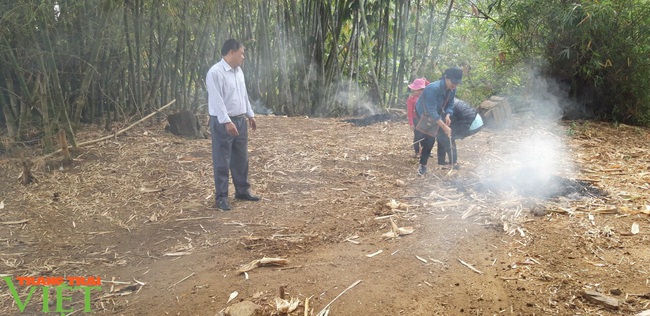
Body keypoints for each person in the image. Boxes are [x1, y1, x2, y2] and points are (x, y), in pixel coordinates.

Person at [206, 39, 260, 211]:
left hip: (240, 119)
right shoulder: (215, 72)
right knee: (222, 160)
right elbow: (217, 100)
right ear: (231, 52)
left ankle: (242, 191)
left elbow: (243, 94)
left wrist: (250, 114)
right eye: (241, 53)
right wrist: (227, 121)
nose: (243, 57)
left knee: (241, 158)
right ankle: (221, 197)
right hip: (223, 122)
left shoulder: (238, 71)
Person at [414, 67, 463, 176]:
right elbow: (430, 110)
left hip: (437, 112)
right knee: (429, 138)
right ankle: (422, 166)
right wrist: (444, 126)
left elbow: (450, 104)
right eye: (453, 82)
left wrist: (448, 115)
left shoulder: (452, 89)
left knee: (443, 135)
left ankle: (448, 161)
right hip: (424, 113)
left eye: (457, 83)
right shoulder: (433, 88)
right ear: (446, 78)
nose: (455, 85)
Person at [436, 98, 484, 169]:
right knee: (442, 136)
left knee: (447, 137)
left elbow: (441, 123)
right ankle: (441, 162)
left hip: (472, 122)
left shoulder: (442, 105)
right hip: (477, 119)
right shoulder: (446, 99)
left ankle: (453, 163)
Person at [406, 78, 429, 158]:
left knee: (424, 136)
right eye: (418, 90)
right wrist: (411, 123)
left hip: (424, 119)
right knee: (417, 136)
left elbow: (430, 86)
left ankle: (423, 151)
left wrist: (425, 81)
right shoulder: (411, 99)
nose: (420, 92)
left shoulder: (423, 97)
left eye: (421, 90)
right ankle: (416, 152)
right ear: (414, 89)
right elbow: (409, 112)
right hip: (416, 120)